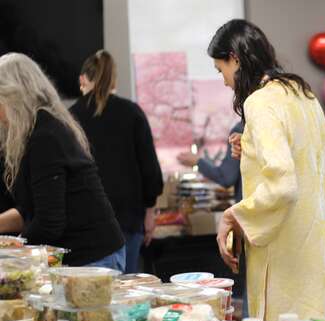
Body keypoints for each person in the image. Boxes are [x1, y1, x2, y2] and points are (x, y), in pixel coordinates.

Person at [208, 19, 325, 321]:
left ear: (236, 59)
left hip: (284, 265)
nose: (225, 81)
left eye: (222, 70)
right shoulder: (303, 96)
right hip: (315, 255)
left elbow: (283, 184)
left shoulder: (261, 102)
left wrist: (235, 215)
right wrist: (252, 148)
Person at [0, 53, 125, 268]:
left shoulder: (45, 136)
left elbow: (49, 222)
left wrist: (12, 252)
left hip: (93, 257)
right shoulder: (37, 130)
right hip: (84, 255)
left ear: (15, 97)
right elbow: (33, 208)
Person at [70, 50, 163, 274]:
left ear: (82, 79)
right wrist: (149, 213)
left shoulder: (69, 117)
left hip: (85, 224)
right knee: (127, 298)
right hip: (128, 220)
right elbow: (151, 173)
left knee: (88, 297)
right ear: (114, 80)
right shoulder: (132, 113)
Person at [177, 121, 244, 203]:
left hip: (249, 207)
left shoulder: (241, 129)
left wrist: (198, 162)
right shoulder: (258, 125)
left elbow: (226, 177)